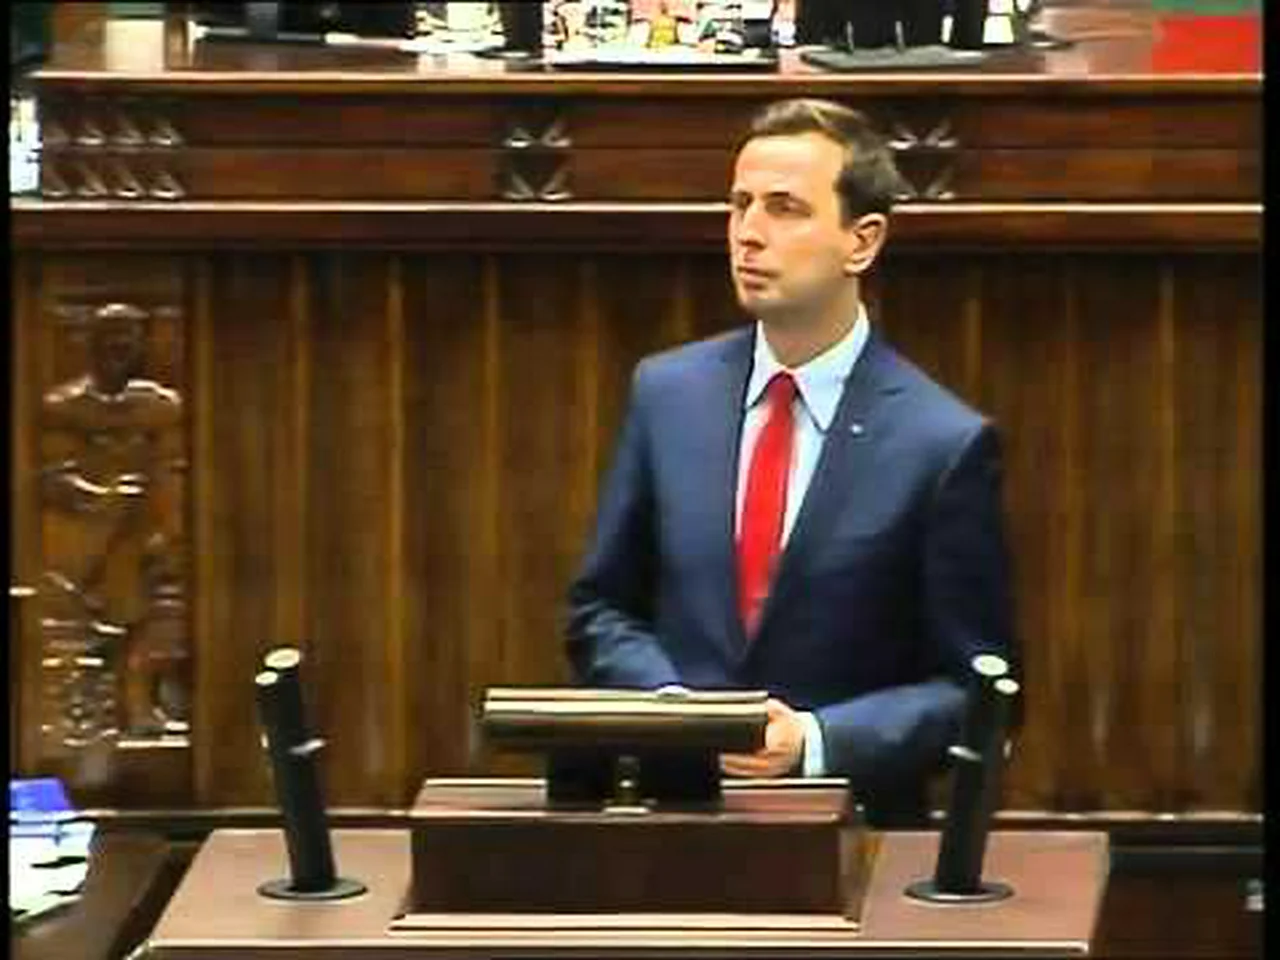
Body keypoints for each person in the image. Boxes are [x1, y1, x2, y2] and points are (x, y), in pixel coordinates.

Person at [565, 98, 1016, 827]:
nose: (748, 233)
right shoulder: (667, 395)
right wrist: (677, 713)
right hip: (671, 823)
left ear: (862, 242)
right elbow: (601, 610)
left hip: (849, 836)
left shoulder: (942, 443)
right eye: (739, 204)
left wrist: (812, 740)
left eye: (785, 208)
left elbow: (976, 690)